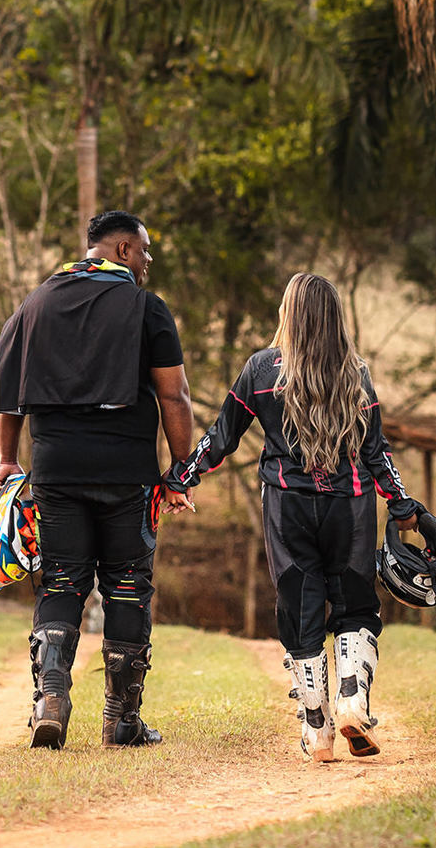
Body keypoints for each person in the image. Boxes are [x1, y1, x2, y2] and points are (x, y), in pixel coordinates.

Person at [161, 272, 419, 762]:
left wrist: (182, 478)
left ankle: (318, 731)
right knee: (354, 606)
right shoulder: (357, 374)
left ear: (289, 314)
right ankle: (353, 701)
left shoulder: (262, 371)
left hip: (288, 506)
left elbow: (222, 436)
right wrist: (401, 504)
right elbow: (376, 452)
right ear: (334, 318)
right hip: (351, 507)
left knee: (300, 611)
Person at [0, 211, 194, 751]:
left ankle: (51, 699)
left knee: (61, 583)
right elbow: (173, 396)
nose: (149, 261)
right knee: (127, 587)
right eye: (146, 251)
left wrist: (7, 459)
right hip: (126, 476)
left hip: (56, 471)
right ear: (124, 249)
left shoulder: (34, 303)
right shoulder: (146, 308)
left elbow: (10, 389)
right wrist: (181, 471)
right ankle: (120, 722)